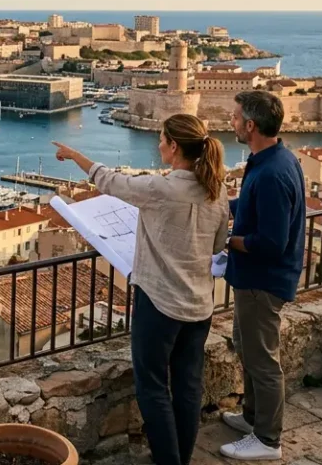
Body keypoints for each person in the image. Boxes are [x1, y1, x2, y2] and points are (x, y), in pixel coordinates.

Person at [53, 113, 229, 465]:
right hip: (199, 306)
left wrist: (75, 156)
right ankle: (182, 456)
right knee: (188, 386)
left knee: (152, 387)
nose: (158, 144)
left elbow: (109, 181)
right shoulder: (217, 190)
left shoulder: (161, 189)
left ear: (174, 146)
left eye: (161, 139)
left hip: (159, 302)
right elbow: (217, 244)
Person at [219, 91, 306, 461]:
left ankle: (268, 440)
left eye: (236, 118)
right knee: (247, 347)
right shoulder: (275, 159)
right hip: (254, 278)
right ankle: (254, 418)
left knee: (263, 362)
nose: (232, 122)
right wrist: (218, 207)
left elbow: (271, 242)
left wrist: (228, 240)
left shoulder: (271, 173)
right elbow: (250, 206)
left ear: (250, 125)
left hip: (262, 280)